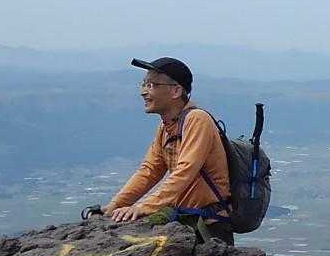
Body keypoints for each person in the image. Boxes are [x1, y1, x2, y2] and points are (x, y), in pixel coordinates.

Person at [89, 57, 235, 244]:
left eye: (152, 85)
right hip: (185, 222)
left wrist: (144, 207)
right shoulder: (166, 127)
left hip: (210, 227)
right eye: (144, 84)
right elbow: (149, 171)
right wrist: (115, 206)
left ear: (176, 91)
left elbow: (185, 171)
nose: (143, 92)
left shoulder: (197, 120)